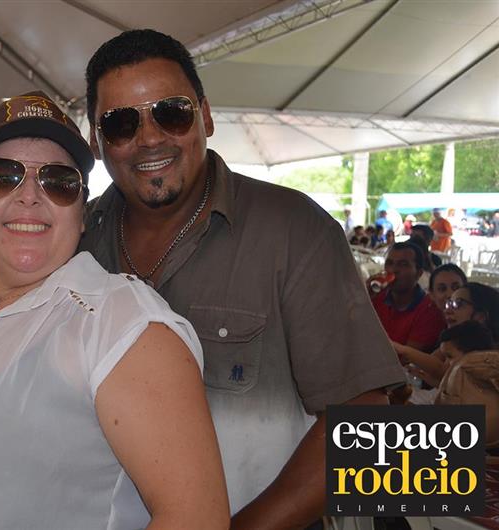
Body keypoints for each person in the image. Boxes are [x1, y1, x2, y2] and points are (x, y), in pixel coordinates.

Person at [79, 29, 405, 527]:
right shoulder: (78, 243)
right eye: (121, 123)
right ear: (96, 142)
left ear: (206, 117)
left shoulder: (295, 230)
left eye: (171, 113)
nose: (149, 138)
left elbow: (367, 415)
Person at [0, 91, 229, 530]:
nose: (30, 195)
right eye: (2, 176)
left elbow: (196, 518)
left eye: (59, 181)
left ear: (82, 213)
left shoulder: (120, 324)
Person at [370, 242, 446, 352]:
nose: (393, 270)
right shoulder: (375, 298)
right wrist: (361, 298)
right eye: (389, 263)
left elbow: (406, 357)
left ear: (419, 273)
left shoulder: (430, 309)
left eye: (403, 264)